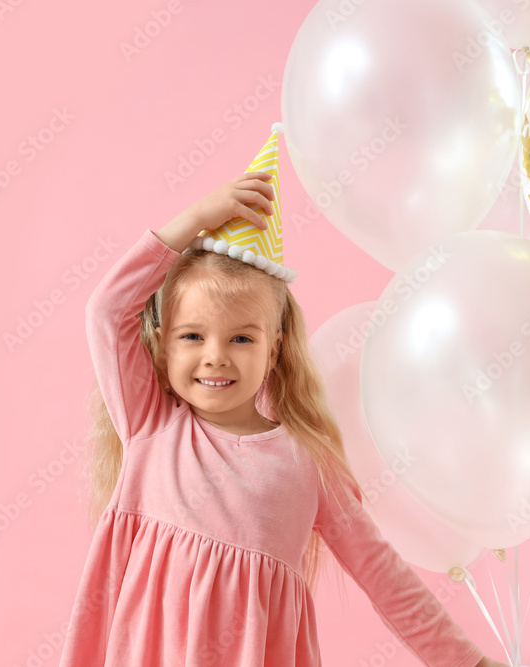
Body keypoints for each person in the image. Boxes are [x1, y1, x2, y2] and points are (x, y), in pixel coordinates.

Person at [58, 150, 506, 666]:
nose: (215, 356)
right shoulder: (151, 425)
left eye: (242, 338)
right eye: (192, 336)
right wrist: (196, 220)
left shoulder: (306, 464)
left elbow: (384, 575)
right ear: (161, 346)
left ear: (274, 350)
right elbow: (106, 309)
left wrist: (469, 661)